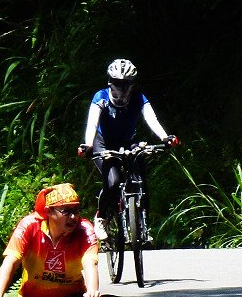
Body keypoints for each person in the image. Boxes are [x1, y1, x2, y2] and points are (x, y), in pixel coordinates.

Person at [77, 58, 179, 240]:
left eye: (126, 83)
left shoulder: (139, 98)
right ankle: (101, 217)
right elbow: (91, 123)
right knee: (114, 182)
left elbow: (151, 119)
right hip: (103, 143)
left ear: (132, 84)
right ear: (110, 82)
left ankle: (142, 220)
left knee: (140, 179)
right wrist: (88, 145)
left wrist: (165, 138)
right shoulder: (100, 98)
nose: (121, 88)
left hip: (127, 141)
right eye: (117, 83)